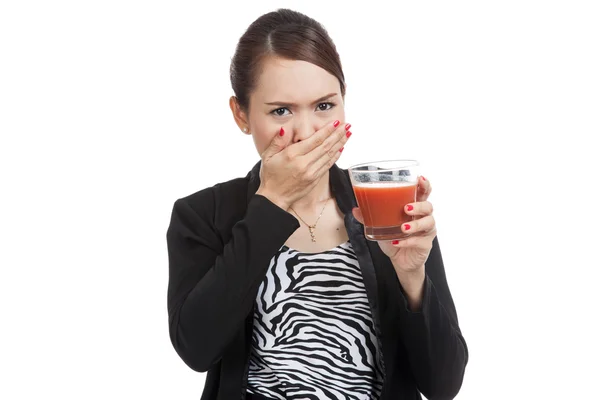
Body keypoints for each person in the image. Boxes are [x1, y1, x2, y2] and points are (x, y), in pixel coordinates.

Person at [166, 8, 468, 400]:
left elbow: (443, 386)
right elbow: (196, 349)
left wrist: (412, 278)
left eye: (324, 106)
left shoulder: (386, 208)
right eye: (281, 111)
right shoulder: (202, 215)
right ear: (241, 114)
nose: (306, 132)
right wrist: (272, 202)